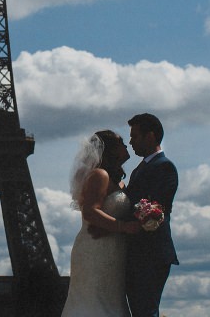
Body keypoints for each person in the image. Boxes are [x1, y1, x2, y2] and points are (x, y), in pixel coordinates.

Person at [61, 129, 141, 317]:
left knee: (108, 298)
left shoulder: (117, 181)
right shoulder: (100, 175)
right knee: (96, 298)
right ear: (110, 150)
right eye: (121, 142)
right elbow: (90, 211)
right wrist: (123, 227)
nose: (126, 145)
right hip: (96, 248)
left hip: (113, 248)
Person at [124, 113, 179, 317]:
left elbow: (157, 208)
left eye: (134, 136)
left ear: (150, 136)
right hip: (143, 253)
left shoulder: (164, 167)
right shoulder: (144, 168)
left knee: (145, 310)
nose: (130, 142)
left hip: (150, 253)